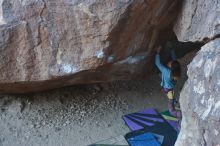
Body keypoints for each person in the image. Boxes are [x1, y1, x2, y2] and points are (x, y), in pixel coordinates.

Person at [155, 46, 182, 121]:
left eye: (170, 63)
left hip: (168, 89)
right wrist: (172, 50)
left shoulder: (166, 71)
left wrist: (157, 52)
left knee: (170, 100)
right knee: (170, 94)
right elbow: (175, 60)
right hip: (170, 86)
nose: (169, 62)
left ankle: (176, 112)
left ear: (171, 67)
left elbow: (158, 63)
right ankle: (174, 100)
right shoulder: (176, 71)